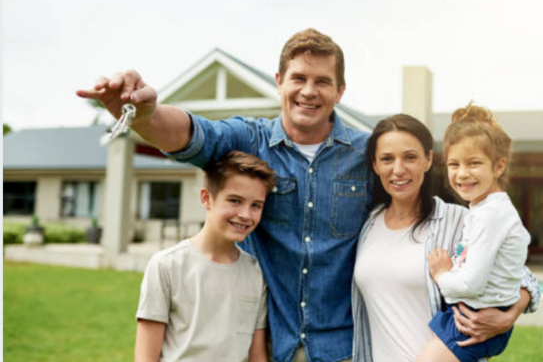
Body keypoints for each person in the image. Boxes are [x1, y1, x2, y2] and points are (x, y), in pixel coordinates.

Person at [77, 28, 371, 362]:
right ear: (279, 81)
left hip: (346, 350)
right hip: (270, 347)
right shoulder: (248, 139)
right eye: (298, 78)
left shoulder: (371, 155)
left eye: (322, 81)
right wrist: (148, 115)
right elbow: (192, 134)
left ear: (340, 90)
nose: (308, 91)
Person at [351, 114, 540, 362]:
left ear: (429, 160)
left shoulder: (461, 220)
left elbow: (523, 275)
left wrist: (508, 316)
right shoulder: (367, 224)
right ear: (375, 165)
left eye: (410, 157)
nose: (398, 169)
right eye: (387, 159)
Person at [135, 151, 275, 362]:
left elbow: (257, 356)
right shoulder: (166, 265)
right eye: (235, 201)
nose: (246, 214)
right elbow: (146, 357)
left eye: (256, 205)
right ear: (206, 198)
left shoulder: (255, 272)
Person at [417, 104, 532, 362]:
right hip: (471, 314)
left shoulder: (489, 215)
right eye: (454, 164)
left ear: (499, 167)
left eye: (474, 163)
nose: (462, 173)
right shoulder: (485, 209)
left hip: (475, 319)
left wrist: (442, 274)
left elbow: (470, 284)